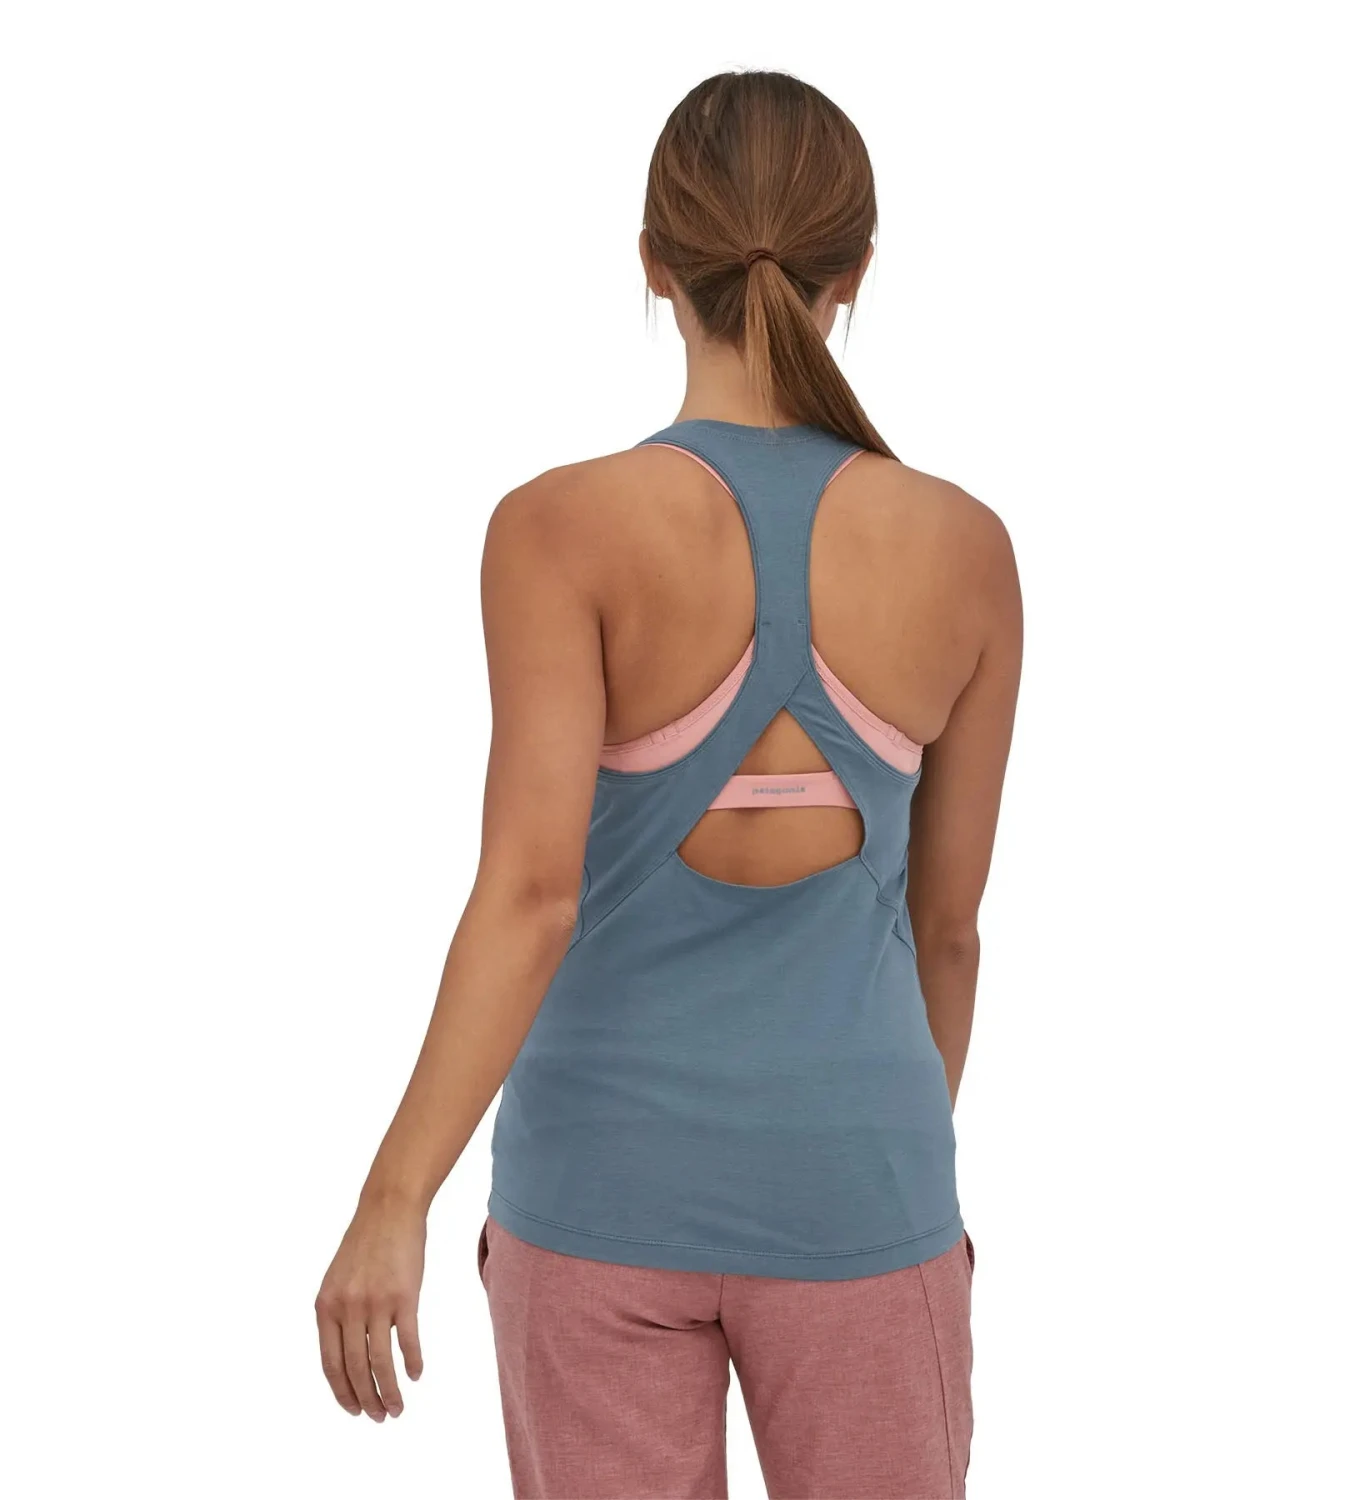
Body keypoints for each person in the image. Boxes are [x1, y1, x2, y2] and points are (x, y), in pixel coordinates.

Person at [315, 68, 1023, 1500]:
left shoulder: (558, 528)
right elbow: (947, 933)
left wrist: (395, 1198)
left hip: (597, 1193)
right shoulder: (965, 548)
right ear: (855, 272)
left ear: (652, 260)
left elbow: (529, 896)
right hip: (860, 1186)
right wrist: (867, 1162)